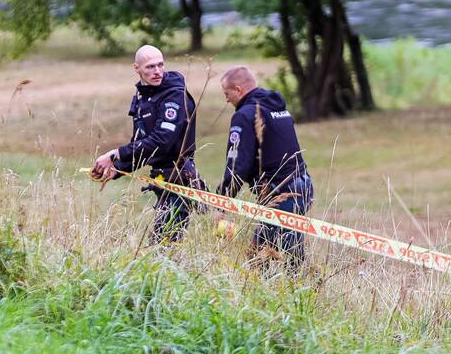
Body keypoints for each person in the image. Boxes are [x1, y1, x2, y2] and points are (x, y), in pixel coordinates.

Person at [91, 45, 203, 242]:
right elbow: (143, 145)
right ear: (137, 68)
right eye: (150, 67)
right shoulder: (144, 96)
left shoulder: (174, 95)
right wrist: (117, 169)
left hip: (179, 177)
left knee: (163, 244)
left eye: (160, 65)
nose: (157, 71)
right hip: (160, 178)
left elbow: (162, 141)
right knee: (163, 244)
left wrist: (114, 153)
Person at [217, 65, 313, 269]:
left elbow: (237, 165)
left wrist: (222, 202)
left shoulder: (244, 114)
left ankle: (303, 291)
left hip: (283, 192)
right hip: (303, 184)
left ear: (238, 89)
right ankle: (292, 290)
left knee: (278, 259)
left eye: (227, 93)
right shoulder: (276, 107)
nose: (226, 100)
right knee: (270, 253)